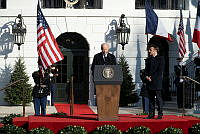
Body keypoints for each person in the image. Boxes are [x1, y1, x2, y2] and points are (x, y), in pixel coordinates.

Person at [144, 44, 164, 119]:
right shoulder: (148, 59)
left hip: (157, 81)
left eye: (150, 50)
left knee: (159, 99)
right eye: (149, 50)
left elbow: (160, 70)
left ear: (155, 50)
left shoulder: (161, 58)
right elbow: (146, 70)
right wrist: (146, 76)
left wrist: (152, 77)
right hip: (149, 82)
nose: (149, 51)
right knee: (151, 99)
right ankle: (151, 114)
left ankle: (160, 114)